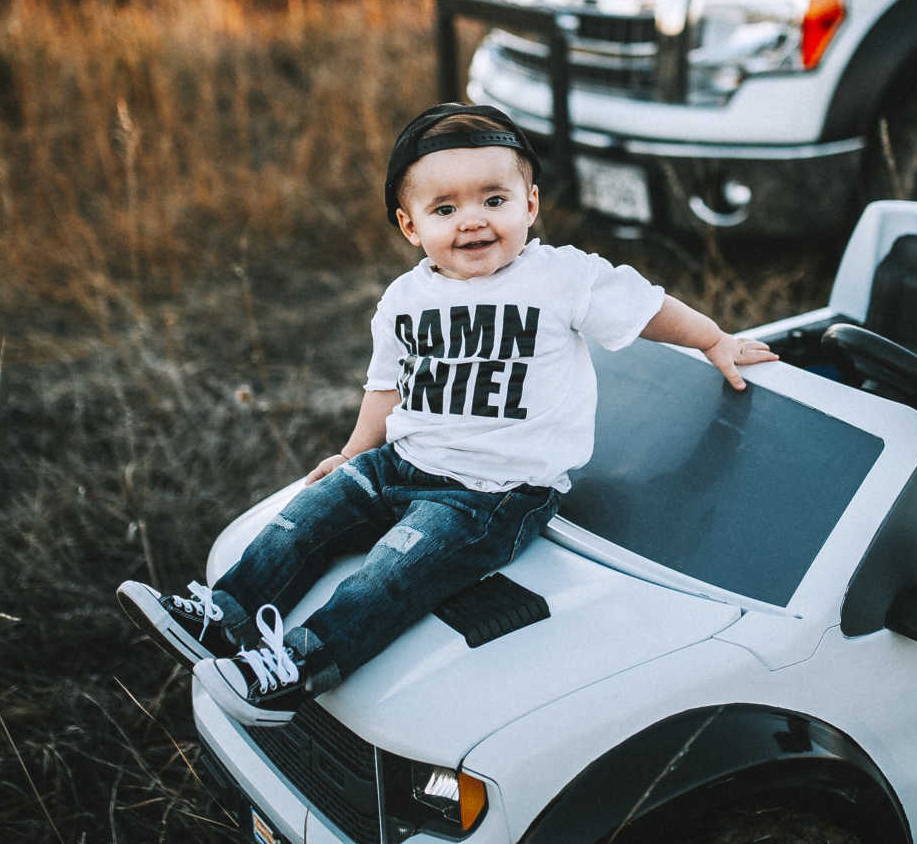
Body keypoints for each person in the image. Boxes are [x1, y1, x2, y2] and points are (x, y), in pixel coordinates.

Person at [116, 102, 777, 726]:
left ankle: (295, 666)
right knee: (305, 516)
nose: (473, 221)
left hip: (493, 494)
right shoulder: (405, 299)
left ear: (530, 205)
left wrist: (713, 338)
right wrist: (353, 454)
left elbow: (646, 306)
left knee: (397, 568)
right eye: (445, 207)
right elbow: (387, 386)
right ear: (412, 226)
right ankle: (222, 616)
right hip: (402, 460)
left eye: (495, 200)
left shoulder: (559, 278)